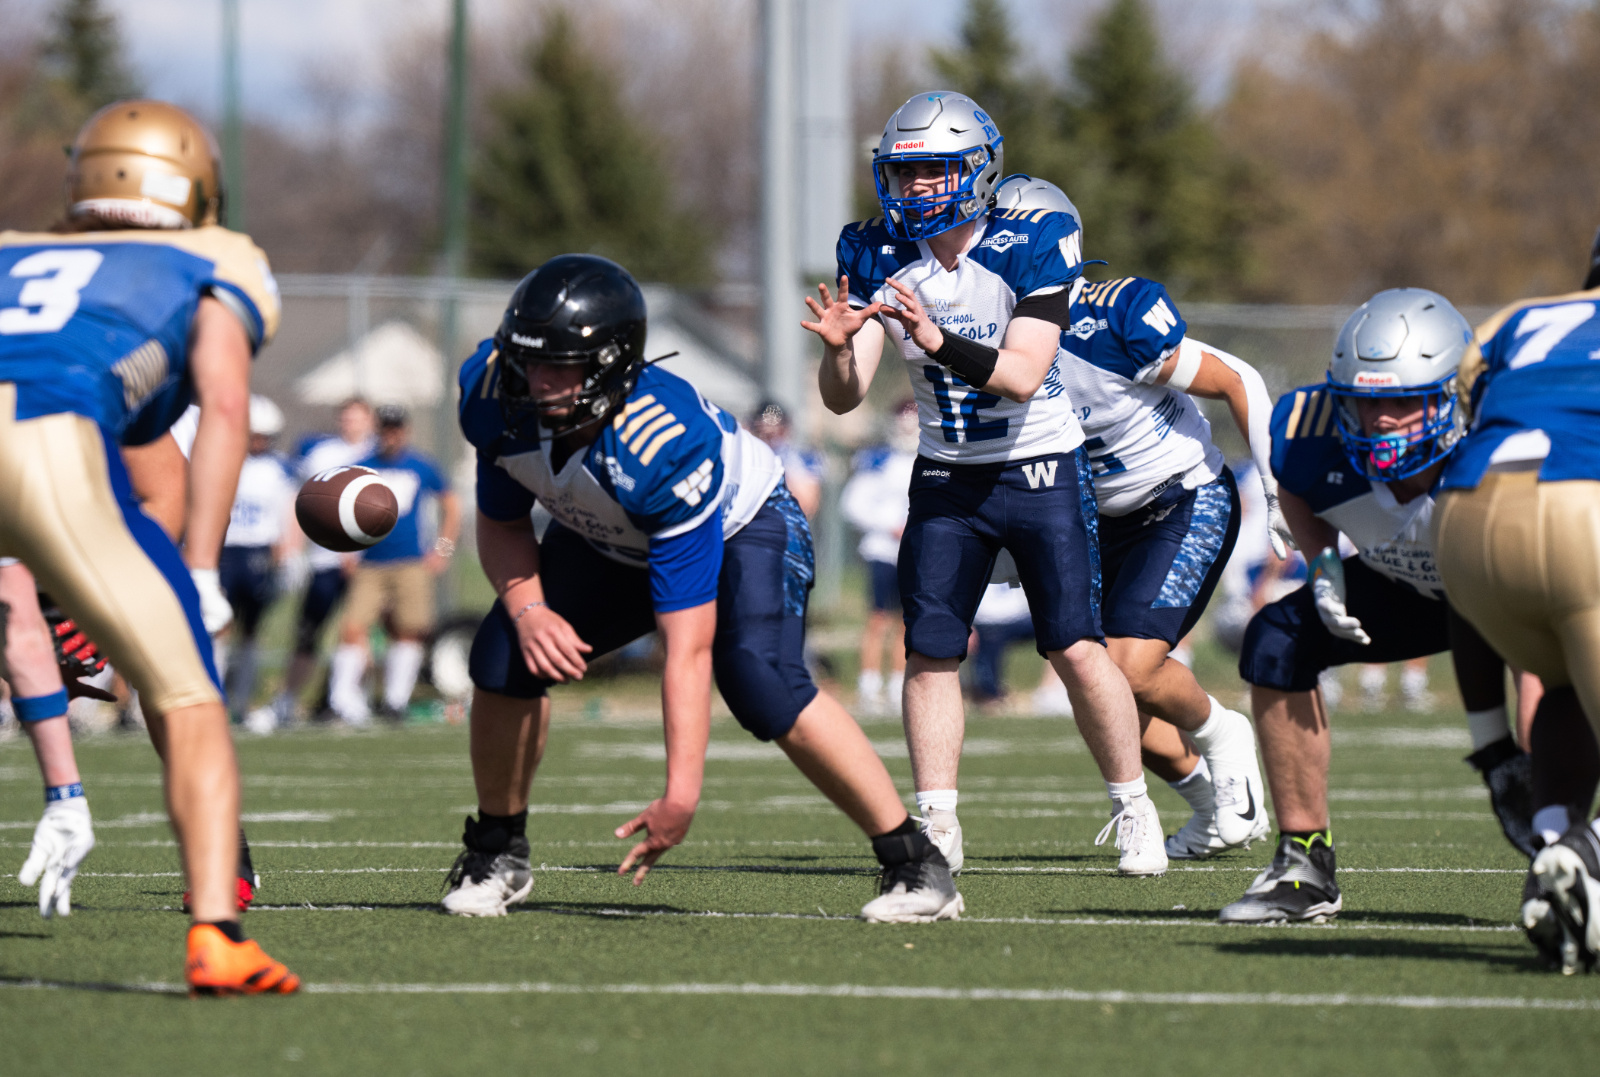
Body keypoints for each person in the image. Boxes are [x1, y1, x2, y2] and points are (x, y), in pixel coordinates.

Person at [448, 254, 959, 922]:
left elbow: (686, 648)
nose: (538, 382)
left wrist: (680, 793)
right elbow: (502, 520)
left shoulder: (664, 444)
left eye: (561, 367)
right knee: (503, 653)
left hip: (742, 523)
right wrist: (530, 608)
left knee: (759, 678)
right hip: (613, 531)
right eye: (529, 361)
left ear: (611, 365)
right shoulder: (492, 392)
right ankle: (496, 850)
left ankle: (916, 863)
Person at [806, 91, 1166, 876]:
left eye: (933, 170)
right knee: (930, 650)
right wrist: (837, 350)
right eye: (903, 173)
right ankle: (938, 820)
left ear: (977, 170)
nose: (914, 188)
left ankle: (1133, 804)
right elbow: (844, 395)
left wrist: (936, 340)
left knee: (1075, 646)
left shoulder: (1031, 237)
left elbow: (1025, 373)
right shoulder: (871, 250)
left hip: (1039, 466)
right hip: (946, 473)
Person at [0, 99, 296, 992]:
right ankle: (218, 931)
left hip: (56, 458)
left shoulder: (13, 250)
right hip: (47, 445)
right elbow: (227, 407)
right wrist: (198, 569)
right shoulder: (214, 256)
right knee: (188, 692)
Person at [1217, 288, 1537, 925]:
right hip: (1411, 588)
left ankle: (1562, 846)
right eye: (1367, 403)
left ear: (1452, 397)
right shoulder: (1310, 432)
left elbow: (1539, 633)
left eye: (1403, 401)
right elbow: (1297, 484)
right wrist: (1324, 564)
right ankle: (1304, 864)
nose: (1383, 420)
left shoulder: (1504, 448)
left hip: (1517, 591)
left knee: (1542, 695)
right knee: (1277, 637)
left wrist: (1517, 760)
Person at [997, 175, 1272, 861]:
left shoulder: (1110, 319)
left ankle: (1223, 733)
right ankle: (1207, 803)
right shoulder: (978, 336)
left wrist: (1276, 489)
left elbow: (1237, 379)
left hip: (1181, 496)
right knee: (1094, 683)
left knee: (1130, 666)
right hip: (1094, 519)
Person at [1434, 265, 1600, 972]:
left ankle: (1554, 838)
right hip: (1583, 507)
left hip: (1463, 520)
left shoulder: (1521, 315)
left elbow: (1470, 400)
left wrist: (1494, 744)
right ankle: (1586, 855)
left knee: (1562, 682)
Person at [329, 405, 459, 724]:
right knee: (352, 627)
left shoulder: (420, 466)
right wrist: (346, 551)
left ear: (405, 431)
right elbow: (342, 510)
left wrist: (442, 550)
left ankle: (395, 701)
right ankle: (340, 700)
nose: (391, 435)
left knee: (408, 630)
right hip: (370, 562)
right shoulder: (363, 466)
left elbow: (451, 506)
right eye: (385, 429)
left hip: (410, 561)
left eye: (396, 429)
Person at [267, 397, 375, 724]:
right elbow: (298, 500)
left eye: (358, 418)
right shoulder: (322, 453)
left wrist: (440, 550)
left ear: (369, 421)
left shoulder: (381, 454)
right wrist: (291, 548)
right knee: (308, 633)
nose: (351, 424)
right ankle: (286, 701)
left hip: (371, 565)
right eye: (347, 418)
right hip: (324, 559)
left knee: (360, 632)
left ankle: (352, 698)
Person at [217, 395, 298, 731]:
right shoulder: (222, 459)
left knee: (251, 631)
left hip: (259, 553)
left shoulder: (279, 469)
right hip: (226, 550)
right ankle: (215, 701)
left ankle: (242, 702)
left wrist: (287, 555)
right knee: (218, 626)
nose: (258, 442)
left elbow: (287, 514)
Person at [839, 399, 916, 714]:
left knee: (906, 621)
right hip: (882, 549)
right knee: (878, 618)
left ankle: (898, 684)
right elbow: (852, 505)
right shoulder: (878, 460)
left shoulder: (931, 457)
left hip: (914, 550)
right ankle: (869, 685)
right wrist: (888, 526)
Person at [749, 400, 824, 518]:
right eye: (761, 431)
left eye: (776, 429)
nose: (770, 437)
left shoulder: (800, 458)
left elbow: (807, 504)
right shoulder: (748, 455)